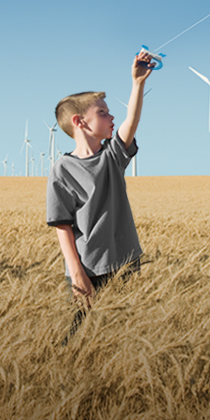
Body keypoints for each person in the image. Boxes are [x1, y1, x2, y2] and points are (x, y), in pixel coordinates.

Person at [45, 50, 156, 345]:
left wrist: (138, 84)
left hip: (127, 261)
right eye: (103, 112)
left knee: (124, 338)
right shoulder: (63, 169)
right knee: (79, 339)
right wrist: (76, 274)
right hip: (89, 268)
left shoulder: (112, 157)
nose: (112, 117)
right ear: (80, 121)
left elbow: (131, 123)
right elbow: (62, 226)